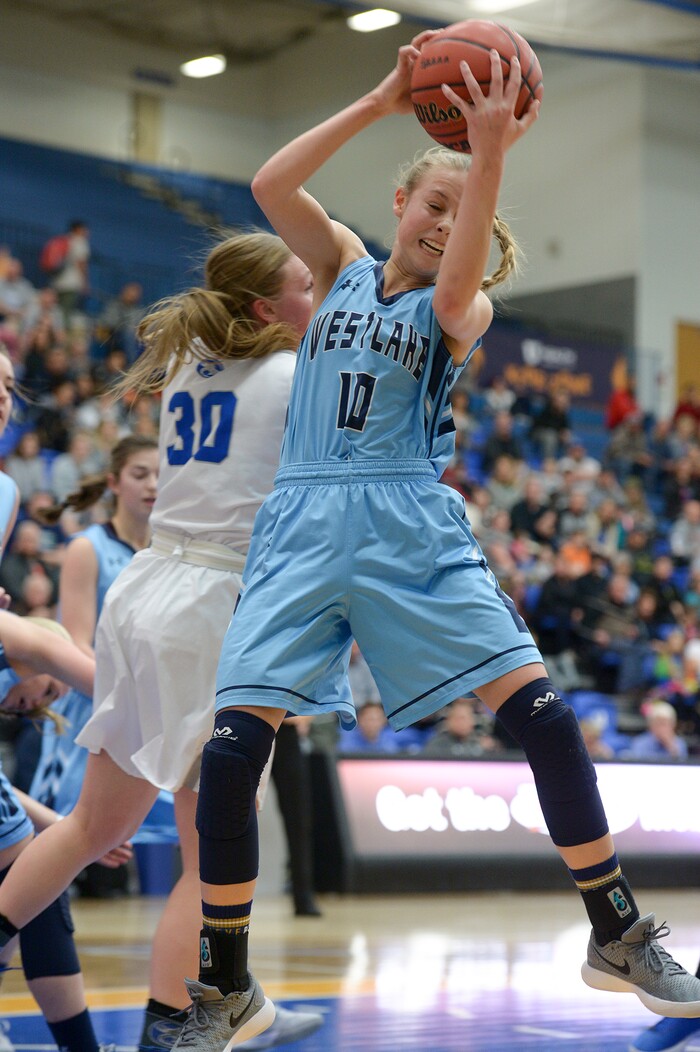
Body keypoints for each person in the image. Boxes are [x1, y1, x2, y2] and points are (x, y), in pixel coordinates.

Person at [138, 31, 700, 1049]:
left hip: (406, 519)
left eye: (465, 215)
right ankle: (221, 982)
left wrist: (490, 157)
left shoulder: (464, 307)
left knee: (542, 715)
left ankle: (614, 930)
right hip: (302, 521)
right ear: (397, 206)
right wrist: (383, 97)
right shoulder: (338, 263)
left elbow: (451, 287)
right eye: (431, 205)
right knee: (229, 754)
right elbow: (271, 180)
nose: (447, 225)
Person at [0, 232, 324, 1052]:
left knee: (89, 828)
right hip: (210, 607)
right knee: (212, 845)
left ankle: (224, 1002)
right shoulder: (292, 376)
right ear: (264, 307)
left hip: (146, 589)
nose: (317, 301)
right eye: (304, 288)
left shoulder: (192, 366)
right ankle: (174, 1030)